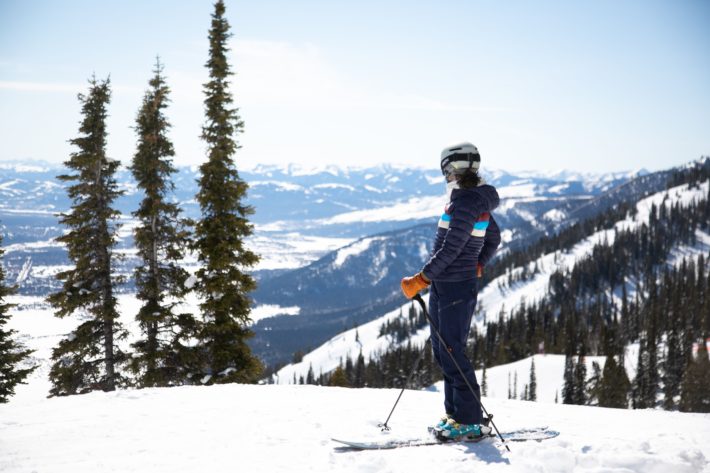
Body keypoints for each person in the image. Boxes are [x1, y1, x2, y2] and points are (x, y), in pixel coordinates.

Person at [401, 142, 501, 440]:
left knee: (452, 350)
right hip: (449, 284)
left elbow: (452, 247)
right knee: (443, 350)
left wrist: (421, 278)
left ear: (449, 169)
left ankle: (470, 419)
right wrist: (479, 262)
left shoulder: (466, 203)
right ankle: (456, 414)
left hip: (455, 284)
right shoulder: (471, 201)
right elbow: (493, 237)